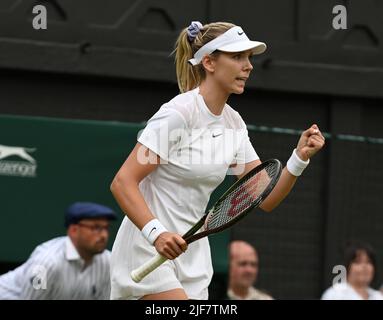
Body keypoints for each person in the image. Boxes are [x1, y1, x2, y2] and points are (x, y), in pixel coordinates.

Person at [110, 21, 325, 300]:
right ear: (209, 63)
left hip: (192, 259)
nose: (248, 66)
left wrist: (299, 158)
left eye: (248, 58)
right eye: (237, 57)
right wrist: (157, 234)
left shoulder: (233, 124)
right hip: (146, 250)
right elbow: (123, 182)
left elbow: (266, 199)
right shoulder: (178, 114)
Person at [0, 202, 116, 299]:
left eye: (106, 228)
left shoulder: (107, 261)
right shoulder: (45, 263)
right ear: (74, 230)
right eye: (96, 228)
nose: (104, 235)